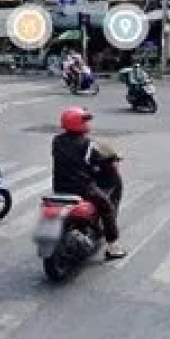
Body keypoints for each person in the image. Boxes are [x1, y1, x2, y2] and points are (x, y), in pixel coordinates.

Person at [51, 107, 126, 260]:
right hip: (82, 188)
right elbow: (100, 160)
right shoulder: (86, 144)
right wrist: (113, 158)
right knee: (106, 207)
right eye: (84, 120)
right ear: (78, 123)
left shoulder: (57, 141)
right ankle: (113, 247)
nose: (87, 123)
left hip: (59, 187)